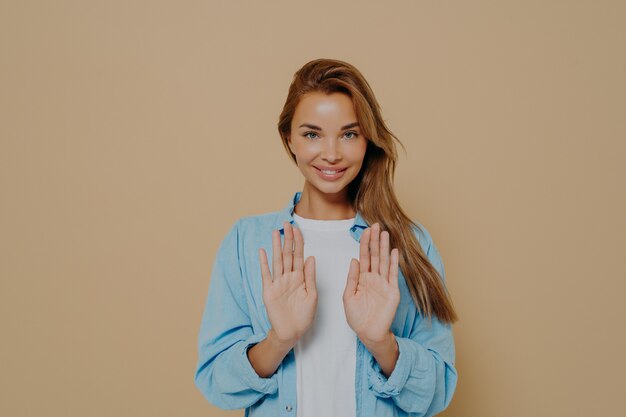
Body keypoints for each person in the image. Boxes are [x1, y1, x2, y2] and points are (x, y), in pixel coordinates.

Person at [194, 58, 459, 417]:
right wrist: (279, 340)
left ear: (368, 139)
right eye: (312, 134)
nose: (331, 153)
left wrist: (382, 343)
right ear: (288, 137)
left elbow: (437, 393)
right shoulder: (246, 242)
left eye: (349, 134)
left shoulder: (408, 244)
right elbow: (216, 380)